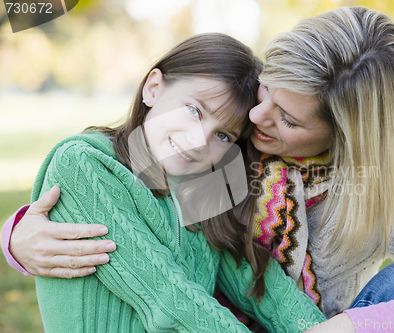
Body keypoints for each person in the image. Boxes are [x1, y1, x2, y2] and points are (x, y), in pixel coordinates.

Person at [3, 6, 394, 333]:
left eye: (287, 118)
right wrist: (18, 236)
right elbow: (143, 243)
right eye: (267, 94)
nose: (255, 121)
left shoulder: (373, 187)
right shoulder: (213, 153)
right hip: (205, 323)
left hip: (301, 325)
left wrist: (342, 329)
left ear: (343, 137)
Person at [1, 33, 326, 333]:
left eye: (223, 135)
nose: (200, 140)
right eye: (194, 110)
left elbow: (259, 284)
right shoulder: (85, 164)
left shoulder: (200, 188)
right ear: (153, 88)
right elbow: (166, 296)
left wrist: (319, 329)